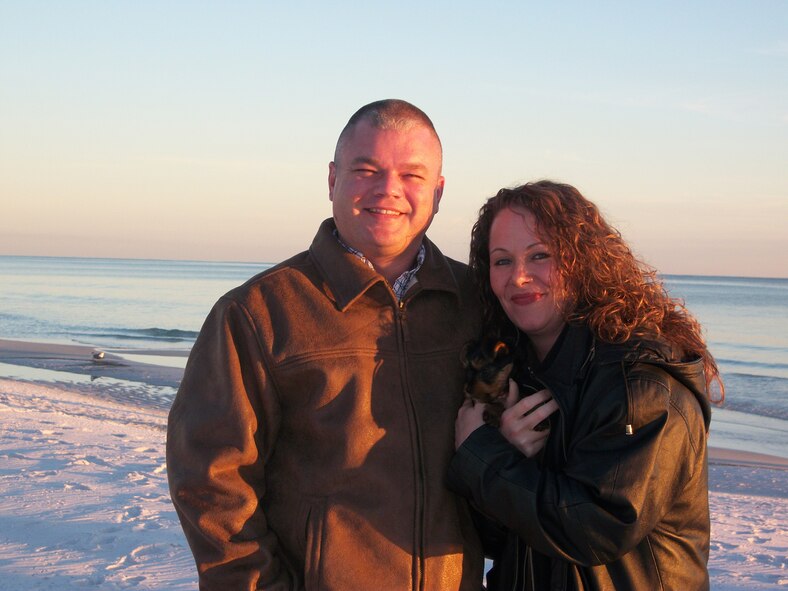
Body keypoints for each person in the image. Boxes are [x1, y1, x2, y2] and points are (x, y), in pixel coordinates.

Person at [166, 99, 484, 590]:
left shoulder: (476, 304)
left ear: (438, 192)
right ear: (333, 180)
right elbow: (211, 482)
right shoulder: (258, 312)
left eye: (412, 175)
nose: (389, 190)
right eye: (367, 169)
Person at [449, 180, 722, 590]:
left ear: (582, 261)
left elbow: (598, 526)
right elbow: (493, 536)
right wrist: (504, 451)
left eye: (540, 255)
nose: (519, 277)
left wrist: (485, 456)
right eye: (502, 261)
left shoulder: (638, 383)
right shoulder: (513, 375)